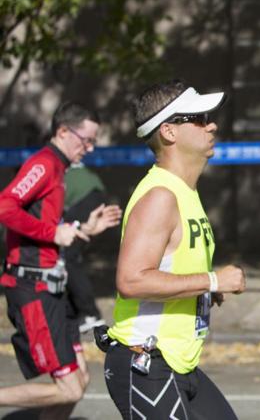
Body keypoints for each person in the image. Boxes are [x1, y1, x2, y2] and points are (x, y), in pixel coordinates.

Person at [98, 80, 245, 420]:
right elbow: (131, 280)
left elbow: (167, 268)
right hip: (146, 363)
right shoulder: (160, 196)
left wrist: (202, 292)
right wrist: (212, 281)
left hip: (178, 363)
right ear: (168, 131)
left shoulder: (185, 192)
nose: (212, 125)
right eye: (199, 119)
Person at [0, 102, 121, 420]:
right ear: (64, 131)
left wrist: (83, 229)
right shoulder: (43, 164)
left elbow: (51, 228)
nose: (90, 148)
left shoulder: (59, 168)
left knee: (80, 380)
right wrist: (53, 232)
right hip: (33, 289)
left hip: (54, 289)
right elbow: (5, 206)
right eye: (87, 140)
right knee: (69, 388)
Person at [62, 163, 114, 333]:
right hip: (93, 195)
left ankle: (89, 313)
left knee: (67, 258)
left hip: (84, 199)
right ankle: (83, 313)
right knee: (69, 257)